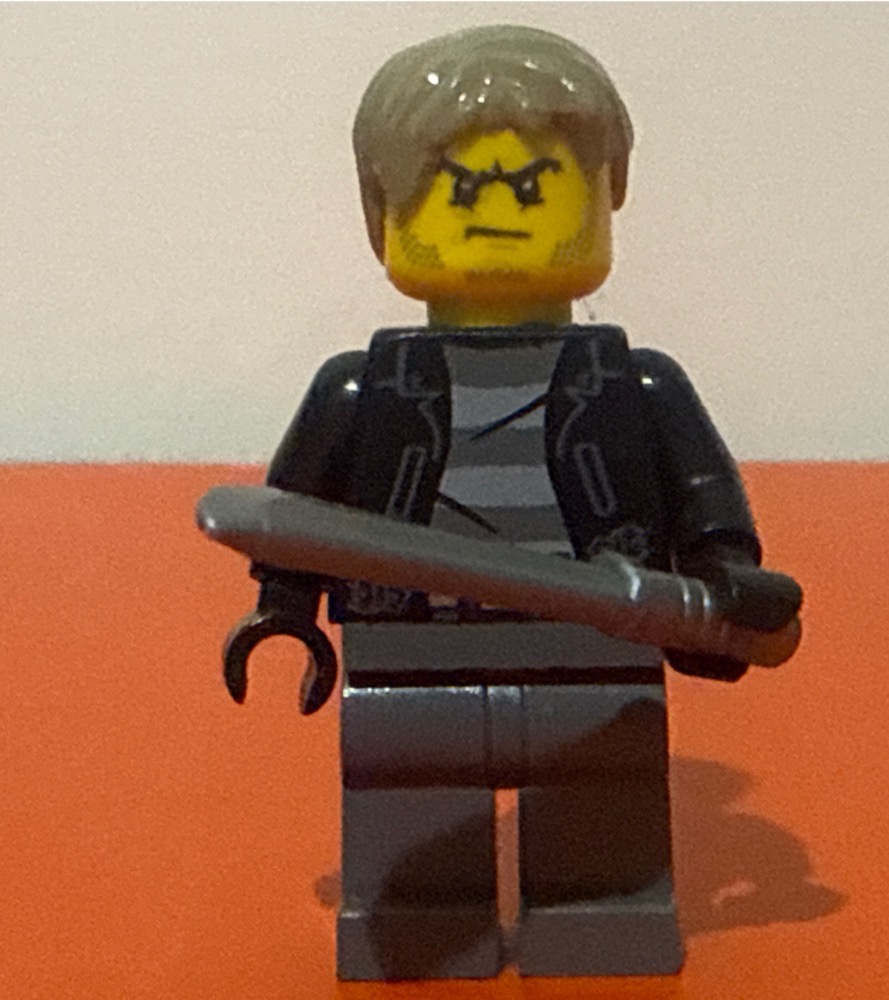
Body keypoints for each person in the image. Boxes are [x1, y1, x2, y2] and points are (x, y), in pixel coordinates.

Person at [217, 25, 800, 980]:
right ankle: (420, 920)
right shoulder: (360, 390)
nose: (496, 212)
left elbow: (704, 497)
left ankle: (598, 914)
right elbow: (298, 513)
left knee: (599, 804)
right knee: (411, 802)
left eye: (536, 187)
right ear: (382, 211)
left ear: (608, 197)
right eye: (456, 188)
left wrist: (725, 577)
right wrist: (282, 609)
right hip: (409, 654)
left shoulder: (638, 386)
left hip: (596, 643)